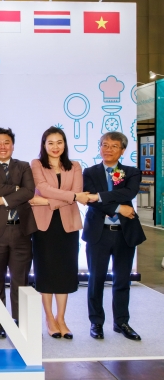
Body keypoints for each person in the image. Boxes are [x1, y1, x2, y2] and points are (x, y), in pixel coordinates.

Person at [83, 132, 146, 341]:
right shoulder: (90, 172)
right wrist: (119, 207)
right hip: (98, 234)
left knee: (122, 280)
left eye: (113, 146)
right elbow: (91, 200)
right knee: (96, 280)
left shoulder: (131, 172)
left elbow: (128, 193)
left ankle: (121, 322)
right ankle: (96, 323)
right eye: (104, 145)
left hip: (124, 235)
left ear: (122, 150)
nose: (107, 149)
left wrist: (101, 196)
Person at [28, 127, 88, 339]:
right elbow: (43, 188)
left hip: (67, 225)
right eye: (50, 142)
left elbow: (78, 193)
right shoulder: (36, 165)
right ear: (44, 145)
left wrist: (47, 201)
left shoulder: (75, 166)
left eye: (59, 142)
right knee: (46, 271)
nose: (55, 147)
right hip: (44, 226)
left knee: (64, 272)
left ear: (65, 144)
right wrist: (69, 197)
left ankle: (61, 318)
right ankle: (49, 318)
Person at [0, 127, 37, 338]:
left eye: (6, 143)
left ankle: (20, 322)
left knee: (21, 280)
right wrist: (17, 190)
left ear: (13, 145)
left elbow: (30, 191)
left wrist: (3, 199)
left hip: (21, 231)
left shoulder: (24, 166)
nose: (2, 147)